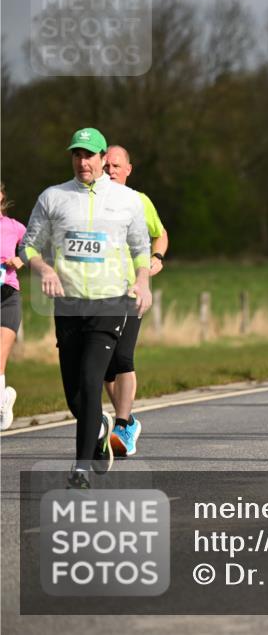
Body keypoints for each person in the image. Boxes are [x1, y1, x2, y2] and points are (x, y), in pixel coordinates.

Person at [22, 127, 151, 488]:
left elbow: (141, 248)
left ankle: (80, 468)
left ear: (101, 159)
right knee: (76, 396)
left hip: (110, 302)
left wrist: (141, 282)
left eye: (89, 155)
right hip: (68, 306)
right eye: (76, 155)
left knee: (93, 378)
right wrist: (44, 268)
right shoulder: (53, 197)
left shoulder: (126, 200)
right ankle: (98, 425)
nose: (83, 162)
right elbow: (28, 247)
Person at [101, 145, 167, 456]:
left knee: (123, 356)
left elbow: (161, 233)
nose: (111, 170)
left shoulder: (140, 201)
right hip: (99, 293)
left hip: (131, 290)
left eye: (116, 165)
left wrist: (157, 257)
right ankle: (127, 421)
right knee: (105, 367)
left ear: (129, 169)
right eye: (107, 165)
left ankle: (124, 424)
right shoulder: (92, 202)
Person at [1, 182, 26, 430]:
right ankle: (4, 399)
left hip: (7, 296)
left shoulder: (13, 227)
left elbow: (35, 246)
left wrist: (19, 258)